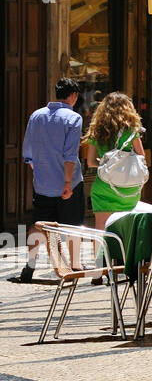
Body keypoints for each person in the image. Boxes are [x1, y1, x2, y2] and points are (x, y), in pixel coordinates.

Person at [18, 79, 86, 281]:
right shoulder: (74, 118)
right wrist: (67, 183)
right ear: (73, 96)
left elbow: (28, 153)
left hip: (42, 184)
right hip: (69, 183)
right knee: (73, 226)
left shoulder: (36, 116)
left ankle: (30, 264)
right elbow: (70, 154)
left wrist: (41, 171)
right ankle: (75, 265)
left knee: (39, 224)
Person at [82, 92, 147, 232]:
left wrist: (107, 164)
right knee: (126, 232)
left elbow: (91, 162)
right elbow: (141, 156)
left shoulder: (97, 131)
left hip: (105, 186)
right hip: (129, 188)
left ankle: (101, 248)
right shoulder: (131, 131)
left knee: (101, 231)